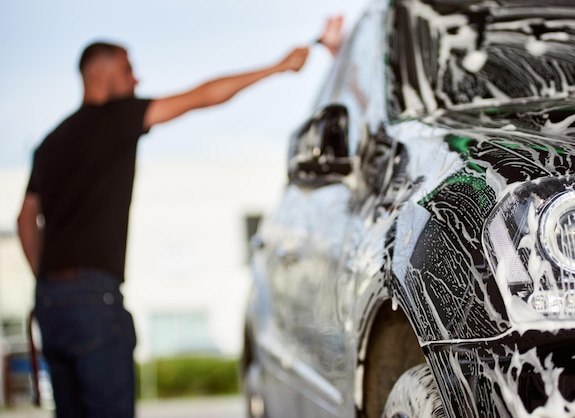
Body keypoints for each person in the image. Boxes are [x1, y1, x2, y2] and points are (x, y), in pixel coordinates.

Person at [17, 17, 344, 418]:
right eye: (127, 69)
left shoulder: (49, 143)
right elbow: (201, 96)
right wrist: (276, 67)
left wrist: (47, 283)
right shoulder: (116, 118)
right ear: (98, 74)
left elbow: (25, 218)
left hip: (52, 304)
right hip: (93, 301)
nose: (136, 80)